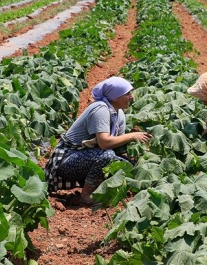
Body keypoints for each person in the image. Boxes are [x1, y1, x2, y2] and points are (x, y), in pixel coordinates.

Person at [44, 77, 152, 205]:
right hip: (66, 161)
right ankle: (85, 196)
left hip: (86, 156)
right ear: (115, 96)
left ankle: (101, 190)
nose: (132, 96)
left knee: (129, 163)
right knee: (107, 156)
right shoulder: (100, 109)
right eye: (127, 94)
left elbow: (117, 145)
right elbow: (104, 143)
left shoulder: (119, 113)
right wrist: (132, 136)